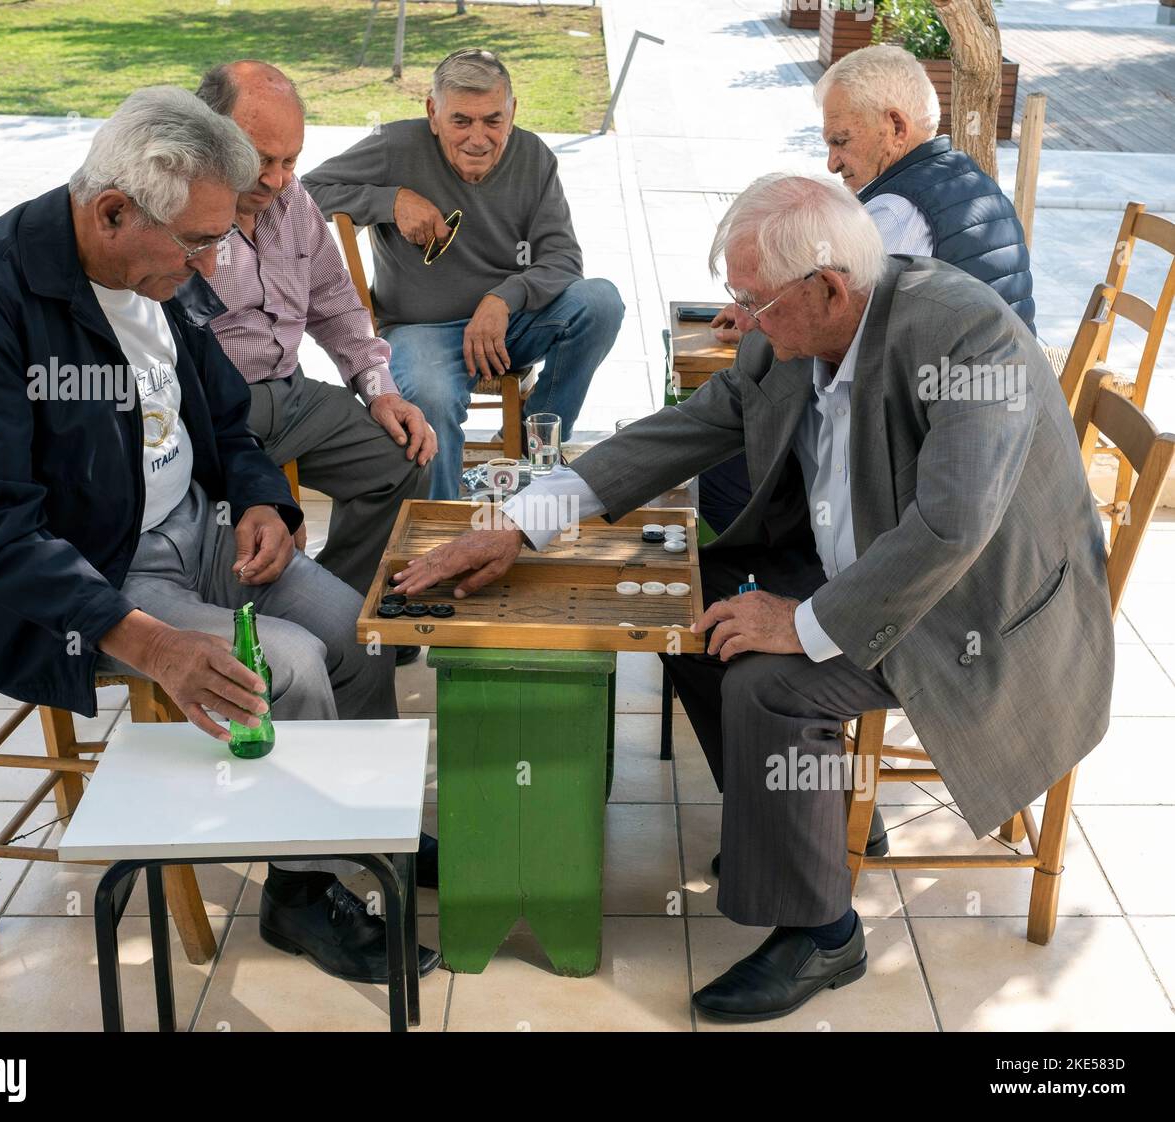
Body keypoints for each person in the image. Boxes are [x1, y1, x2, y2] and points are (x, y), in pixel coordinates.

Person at [388, 174, 1113, 1022]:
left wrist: (801, 624)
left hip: (967, 608)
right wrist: (520, 524)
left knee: (766, 679)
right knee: (696, 620)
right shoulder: (792, 333)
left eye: (754, 300)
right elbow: (686, 430)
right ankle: (808, 819)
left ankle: (825, 933)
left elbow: (951, 531)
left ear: (830, 288)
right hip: (869, 564)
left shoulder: (964, 334)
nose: (740, 318)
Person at [0, 86, 439, 986]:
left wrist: (264, 501)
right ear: (113, 210)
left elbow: (230, 423)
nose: (211, 263)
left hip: (201, 525)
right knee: (290, 665)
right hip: (95, 572)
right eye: (198, 242)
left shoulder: (153, 275)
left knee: (360, 632)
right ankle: (298, 896)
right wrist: (154, 644)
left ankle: (351, 820)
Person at [700, 43, 1036, 533]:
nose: (832, 163)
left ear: (896, 128)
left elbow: (824, 319)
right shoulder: (964, 177)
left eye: (840, 141)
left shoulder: (896, 212)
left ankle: (804, 586)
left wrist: (764, 315)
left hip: (937, 449)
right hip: (978, 420)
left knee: (725, 462)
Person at [303, 47, 625, 499]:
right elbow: (303, 193)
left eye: (493, 120)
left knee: (601, 302)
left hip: (508, 326)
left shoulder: (533, 156)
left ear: (512, 112)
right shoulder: (396, 145)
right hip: (420, 331)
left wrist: (503, 299)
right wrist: (390, 201)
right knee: (430, 398)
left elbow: (564, 260)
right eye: (461, 121)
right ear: (433, 113)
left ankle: (536, 459)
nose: (479, 137)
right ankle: (441, 527)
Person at [187, 60, 433, 620]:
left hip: (292, 396)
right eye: (259, 160)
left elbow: (337, 305)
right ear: (210, 137)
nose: (275, 179)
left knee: (402, 454)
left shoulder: (292, 199)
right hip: (213, 410)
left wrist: (381, 391)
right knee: (230, 537)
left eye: (289, 160)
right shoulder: (182, 207)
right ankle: (299, 622)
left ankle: (341, 608)